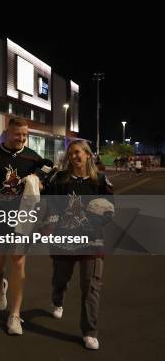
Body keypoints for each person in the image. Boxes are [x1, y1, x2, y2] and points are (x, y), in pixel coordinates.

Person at [0, 117, 45, 335]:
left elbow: (48, 172)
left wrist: (38, 179)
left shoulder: (33, 157)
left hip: (22, 218)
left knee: (18, 262)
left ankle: (14, 315)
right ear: (7, 133)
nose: (21, 138)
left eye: (25, 135)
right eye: (18, 134)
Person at [43, 140, 114, 350]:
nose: (74, 156)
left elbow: (110, 208)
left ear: (88, 155)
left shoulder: (100, 180)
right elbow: (50, 206)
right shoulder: (60, 180)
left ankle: (89, 331)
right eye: (71, 153)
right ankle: (57, 300)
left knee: (90, 286)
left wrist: (99, 217)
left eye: (77, 152)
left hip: (91, 242)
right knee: (60, 279)